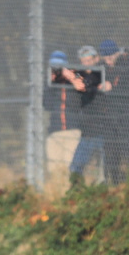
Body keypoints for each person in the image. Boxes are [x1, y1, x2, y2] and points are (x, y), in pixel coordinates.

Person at [61, 45, 112, 182]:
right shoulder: (80, 74)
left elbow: (89, 83)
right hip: (87, 130)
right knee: (76, 167)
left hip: (103, 128)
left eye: (89, 60)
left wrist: (78, 81)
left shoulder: (102, 72)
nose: (87, 64)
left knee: (106, 166)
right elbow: (75, 81)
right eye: (84, 61)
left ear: (96, 59)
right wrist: (72, 77)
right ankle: (77, 188)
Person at [43, 50, 81, 195]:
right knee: (54, 167)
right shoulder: (49, 82)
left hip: (72, 130)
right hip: (55, 130)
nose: (56, 69)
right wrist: (51, 84)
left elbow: (81, 95)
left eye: (59, 66)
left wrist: (70, 78)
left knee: (68, 166)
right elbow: (46, 104)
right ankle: (57, 196)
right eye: (53, 66)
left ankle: (69, 195)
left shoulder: (75, 77)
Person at [99, 39, 129, 184]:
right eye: (105, 58)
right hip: (109, 117)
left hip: (125, 116)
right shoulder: (103, 68)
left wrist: (112, 88)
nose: (108, 61)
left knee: (127, 151)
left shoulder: (128, 64)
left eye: (110, 57)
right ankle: (113, 183)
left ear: (116, 53)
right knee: (111, 154)